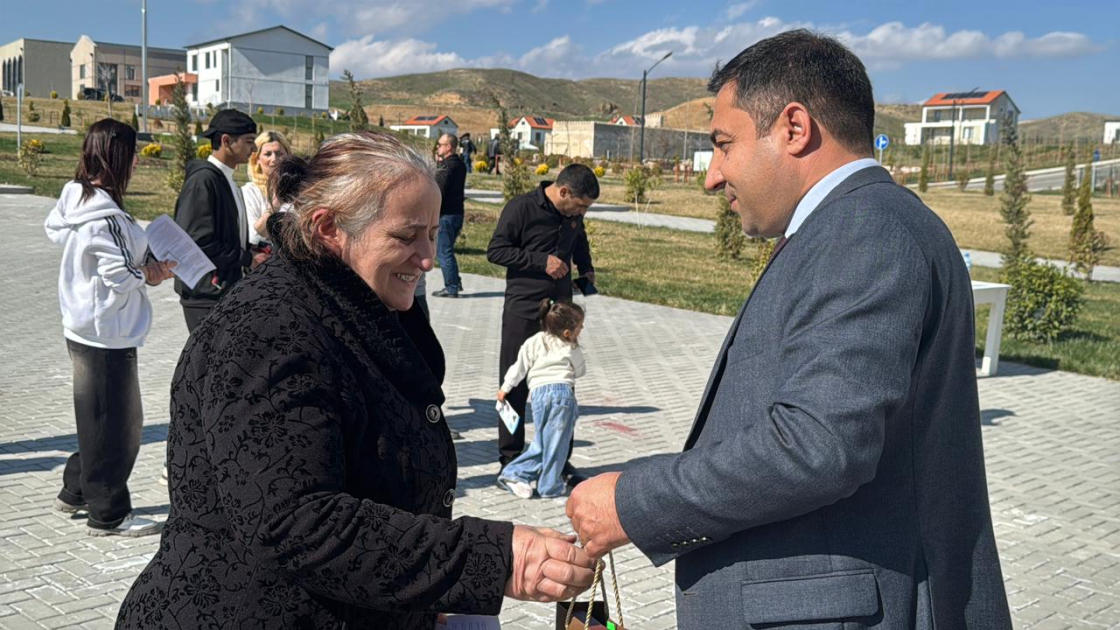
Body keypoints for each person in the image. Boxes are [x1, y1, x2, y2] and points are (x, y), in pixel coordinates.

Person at [565, 30, 1013, 629]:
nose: (712, 176)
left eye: (724, 145)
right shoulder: (850, 224)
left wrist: (633, 501)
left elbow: (818, 444)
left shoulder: (863, 230)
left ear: (795, 128)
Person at [117, 132, 594, 629]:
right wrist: (492, 559)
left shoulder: (357, 299)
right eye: (406, 237)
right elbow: (295, 522)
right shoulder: (267, 330)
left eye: (433, 234)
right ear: (328, 228)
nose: (427, 258)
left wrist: (426, 595)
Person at [44, 118, 176, 537]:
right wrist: (150, 273)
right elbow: (118, 275)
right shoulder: (104, 217)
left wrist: (143, 263)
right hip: (106, 332)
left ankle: (75, 491)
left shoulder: (80, 200)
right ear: (118, 156)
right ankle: (109, 513)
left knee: (97, 419)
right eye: (133, 154)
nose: (137, 162)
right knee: (120, 429)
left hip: (89, 327)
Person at [486, 164, 597, 479]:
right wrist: (540, 261)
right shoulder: (521, 208)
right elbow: (496, 251)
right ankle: (510, 459)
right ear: (564, 192)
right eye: (581, 206)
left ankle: (559, 461)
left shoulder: (573, 215)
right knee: (514, 386)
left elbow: (580, 242)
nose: (582, 213)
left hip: (560, 314)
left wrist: (586, 269)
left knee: (562, 387)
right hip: (523, 309)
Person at [173, 109, 267, 333]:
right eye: (249, 141)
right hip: (206, 296)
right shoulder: (203, 180)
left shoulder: (227, 181)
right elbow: (198, 242)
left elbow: (223, 237)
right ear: (226, 141)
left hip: (224, 292)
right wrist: (246, 258)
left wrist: (251, 250)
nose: (254, 149)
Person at [497, 300, 586, 499]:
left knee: (543, 441)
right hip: (562, 396)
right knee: (557, 444)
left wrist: (505, 388)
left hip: (538, 395)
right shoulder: (570, 346)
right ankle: (548, 485)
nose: (582, 329)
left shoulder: (534, 341)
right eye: (580, 326)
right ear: (567, 332)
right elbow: (580, 371)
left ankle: (518, 475)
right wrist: (575, 350)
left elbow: (519, 367)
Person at [432, 133, 467, 298]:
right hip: (457, 213)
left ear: (448, 147)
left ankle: (451, 287)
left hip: (446, 215)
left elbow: (439, 190)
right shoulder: (460, 164)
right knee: (448, 250)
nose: (437, 147)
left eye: (440, 144)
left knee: (443, 252)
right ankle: (456, 282)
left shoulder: (446, 166)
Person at [243, 129, 292, 246]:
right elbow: (254, 237)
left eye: (279, 154)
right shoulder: (250, 192)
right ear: (257, 159)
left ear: (288, 156)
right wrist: (274, 206)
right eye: (268, 154)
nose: (274, 159)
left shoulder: (299, 189)